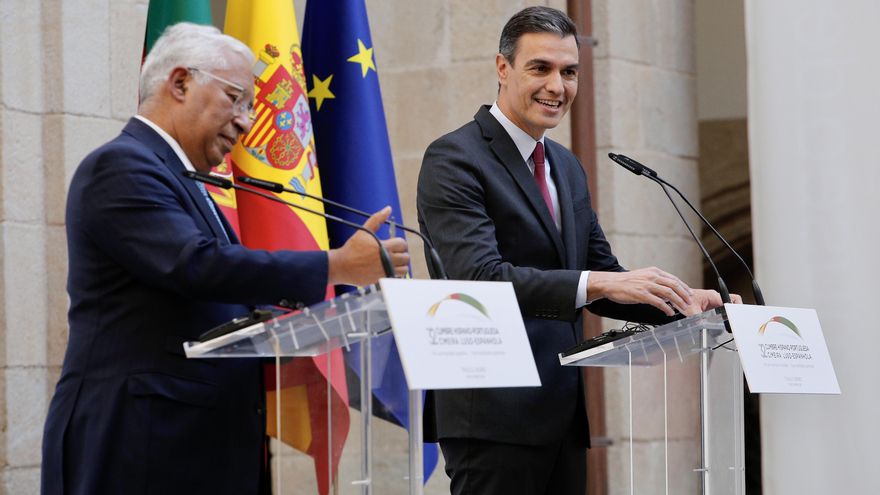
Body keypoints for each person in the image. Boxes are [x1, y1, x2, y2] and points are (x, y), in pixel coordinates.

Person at [41, 23, 408, 495]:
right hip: (142, 440)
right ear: (180, 83)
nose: (245, 120)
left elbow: (210, 300)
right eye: (236, 99)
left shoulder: (184, 178)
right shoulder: (121, 166)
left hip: (199, 444)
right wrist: (335, 266)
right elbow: (196, 266)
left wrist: (284, 328)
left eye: (250, 105)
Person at [417, 6, 734, 495]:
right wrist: (602, 282)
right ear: (502, 69)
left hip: (561, 414)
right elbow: (478, 277)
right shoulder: (455, 157)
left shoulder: (565, 166)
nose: (557, 86)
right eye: (539, 68)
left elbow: (604, 274)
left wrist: (684, 304)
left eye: (569, 72)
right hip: (492, 415)